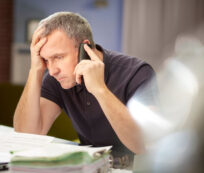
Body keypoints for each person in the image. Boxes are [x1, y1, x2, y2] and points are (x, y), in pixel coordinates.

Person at [13, 11, 155, 165]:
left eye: (58, 57)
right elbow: (27, 135)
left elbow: (143, 144)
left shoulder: (137, 73)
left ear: (84, 49)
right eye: (46, 60)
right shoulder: (57, 78)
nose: (53, 70)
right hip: (91, 166)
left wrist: (100, 89)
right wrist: (35, 70)